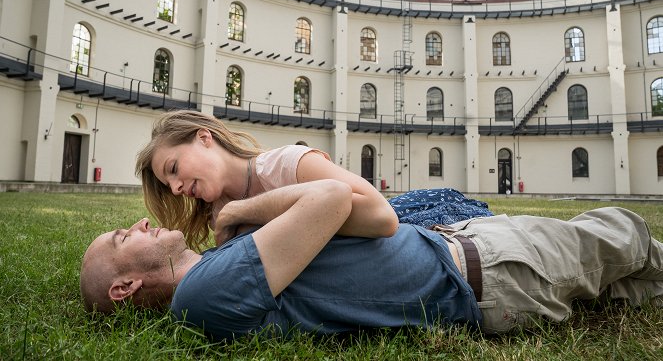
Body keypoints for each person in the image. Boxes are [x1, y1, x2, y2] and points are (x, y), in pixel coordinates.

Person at [80, 180, 663, 340]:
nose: (136, 224)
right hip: (486, 268)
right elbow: (333, 199)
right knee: (623, 234)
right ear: (126, 286)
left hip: (476, 258)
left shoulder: (212, 280)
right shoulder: (201, 297)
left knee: (630, 288)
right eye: (119, 237)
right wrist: (240, 212)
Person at [135, 110, 492, 250]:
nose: (177, 188)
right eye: (170, 187)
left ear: (203, 137)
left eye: (173, 169)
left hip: (433, 223)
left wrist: (248, 210)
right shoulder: (218, 214)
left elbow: (384, 219)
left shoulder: (285, 164)